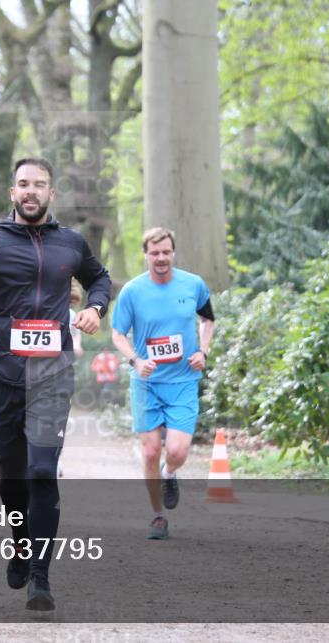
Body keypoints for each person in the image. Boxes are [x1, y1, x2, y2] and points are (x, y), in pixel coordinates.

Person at [0, 157, 111, 611]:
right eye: (22, 184)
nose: (30, 191)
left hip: (51, 374)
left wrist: (97, 306)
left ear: (51, 194)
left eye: (39, 184)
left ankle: (41, 576)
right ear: (12, 192)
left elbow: (98, 277)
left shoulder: (71, 243)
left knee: (41, 470)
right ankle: (19, 541)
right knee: (14, 475)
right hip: (1, 373)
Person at [110, 227, 215, 541]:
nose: (161, 258)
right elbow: (117, 334)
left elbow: (208, 319)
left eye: (166, 252)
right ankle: (157, 516)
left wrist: (203, 351)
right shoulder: (132, 291)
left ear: (173, 252)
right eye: (154, 253)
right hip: (147, 383)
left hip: (183, 380)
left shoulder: (193, 285)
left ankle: (170, 475)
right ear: (146, 255)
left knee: (178, 451)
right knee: (151, 450)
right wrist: (136, 360)